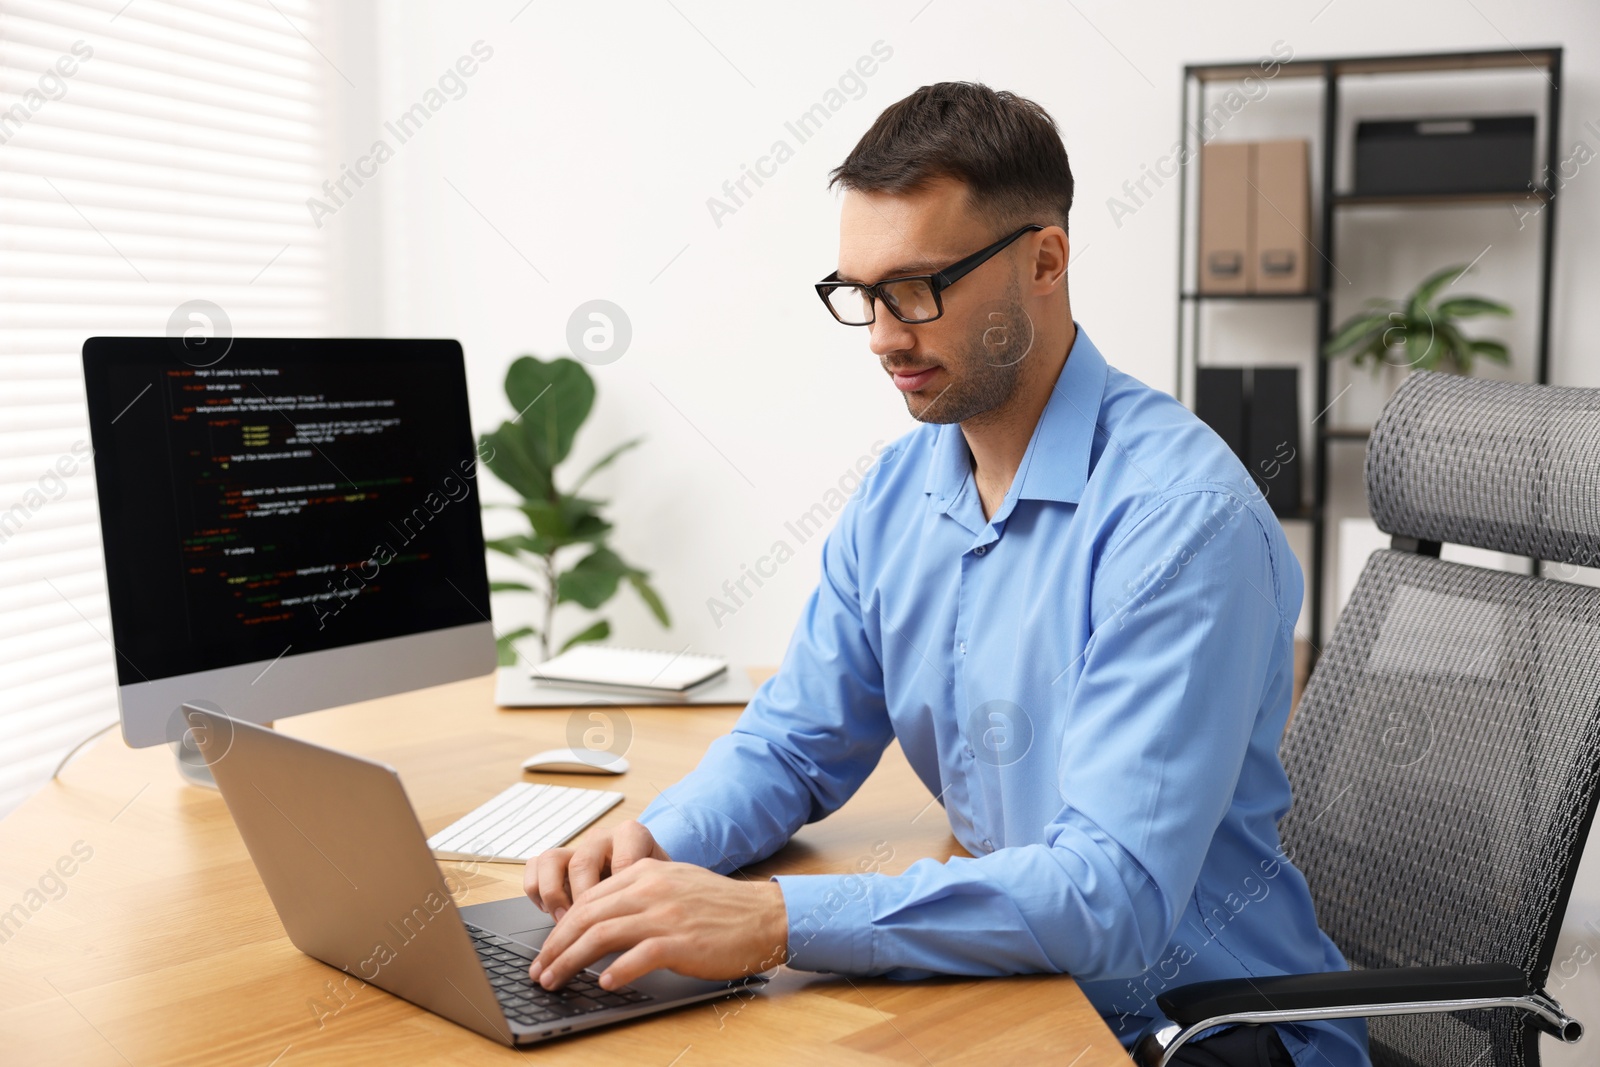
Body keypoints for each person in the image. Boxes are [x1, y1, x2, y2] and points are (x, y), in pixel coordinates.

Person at [521, 82, 1371, 1067]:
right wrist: (660, 847)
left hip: (1198, 1028)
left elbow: (1112, 898)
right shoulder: (899, 491)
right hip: (1024, 990)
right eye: (860, 294)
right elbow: (798, 741)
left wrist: (768, 917)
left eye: (917, 288)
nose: (883, 335)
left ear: (1044, 260)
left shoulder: (1177, 521)